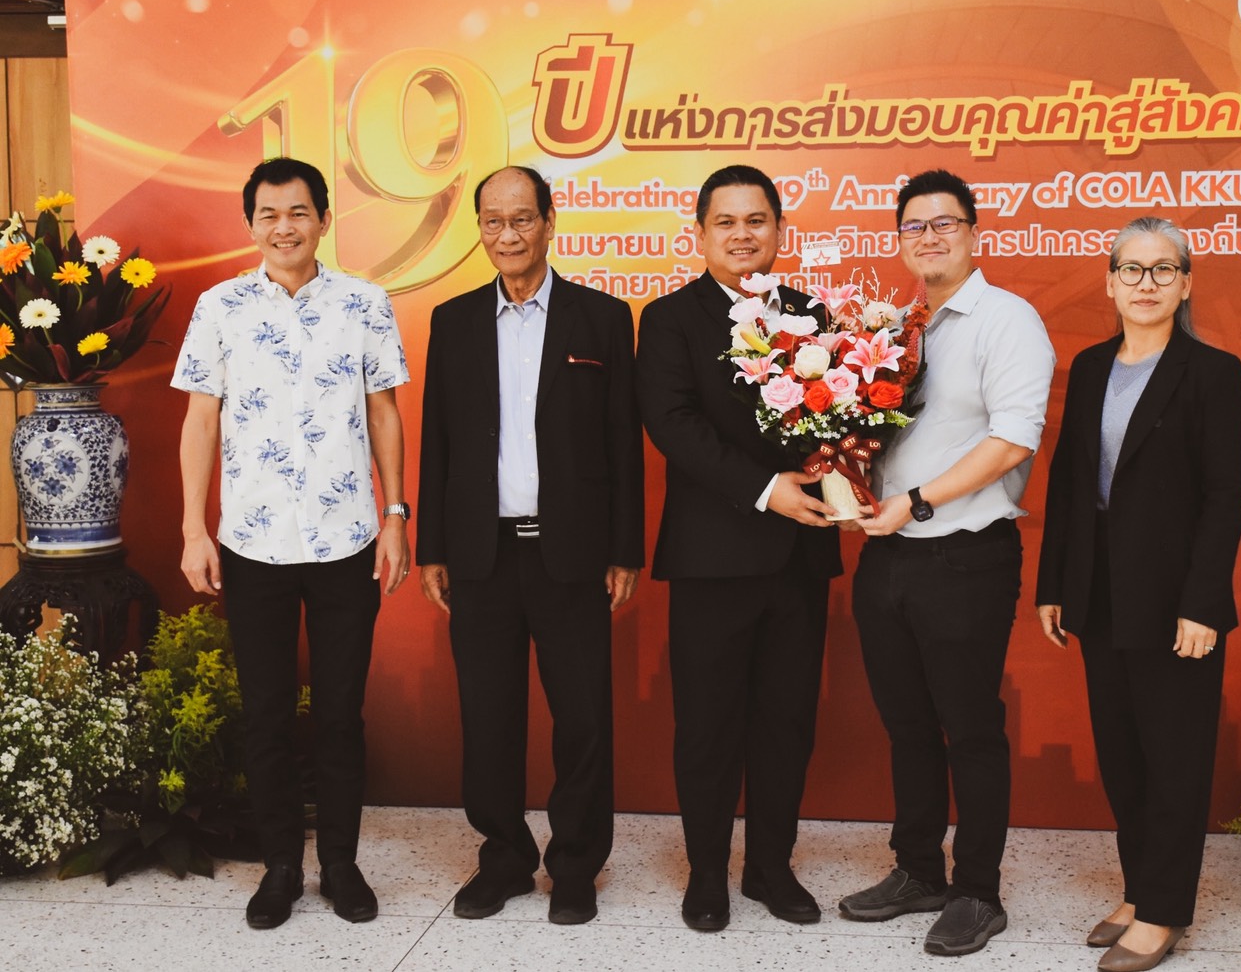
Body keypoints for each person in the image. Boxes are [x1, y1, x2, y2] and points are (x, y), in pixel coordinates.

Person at [174, 156, 410, 929]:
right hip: (252, 542)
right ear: (251, 224)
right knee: (266, 713)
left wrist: (395, 515)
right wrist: (193, 528)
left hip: (347, 541)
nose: (285, 227)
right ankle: (280, 865)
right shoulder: (219, 306)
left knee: (341, 713)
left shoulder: (364, 303)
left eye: (299, 211)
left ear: (324, 219)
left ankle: (340, 863)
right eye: (269, 214)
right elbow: (200, 420)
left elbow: (383, 412)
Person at [417, 165, 643, 926]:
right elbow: (439, 440)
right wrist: (433, 546)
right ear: (479, 228)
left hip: (570, 555)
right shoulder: (452, 320)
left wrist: (624, 549)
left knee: (582, 719)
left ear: (549, 221)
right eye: (492, 221)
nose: (507, 234)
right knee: (488, 718)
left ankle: (575, 864)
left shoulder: (601, 318)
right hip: (480, 554)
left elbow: (622, 441)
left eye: (521, 219)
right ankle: (505, 858)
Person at [839, 169, 1054, 956]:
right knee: (906, 726)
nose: (928, 237)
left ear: (972, 232)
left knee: (970, 728)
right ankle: (918, 870)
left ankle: (977, 891)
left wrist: (917, 501)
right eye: (913, 226)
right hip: (886, 556)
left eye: (944, 223)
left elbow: (1013, 439)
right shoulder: (895, 327)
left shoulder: (1007, 319)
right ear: (898, 240)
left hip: (965, 555)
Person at [1035, 216, 1241, 972]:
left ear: (1185, 284)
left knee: (1173, 756)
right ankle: (1139, 888)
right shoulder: (1091, 365)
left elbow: (1224, 497)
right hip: (1098, 591)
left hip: (1173, 599)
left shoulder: (1213, 372)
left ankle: (1162, 911)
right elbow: (1069, 483)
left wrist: (1202, 602)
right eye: (1131, 268)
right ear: (1110, 282)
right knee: (1122, 753)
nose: (1146, 283)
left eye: (1163, 270)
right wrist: (1054, 583)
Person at [636, 164, 841, 932]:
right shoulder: (669, 319)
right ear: (700, 234)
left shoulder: (813, 315)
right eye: (725, 221)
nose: (742, 234)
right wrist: (764, 488)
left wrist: (838, 470)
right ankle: (706, 871)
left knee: (786, 722)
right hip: (711, 557)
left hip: (799, 556)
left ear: (779, 230)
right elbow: (672, 423)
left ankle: (770, 866)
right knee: (708, 726)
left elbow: (835, 420)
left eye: (756, 220)